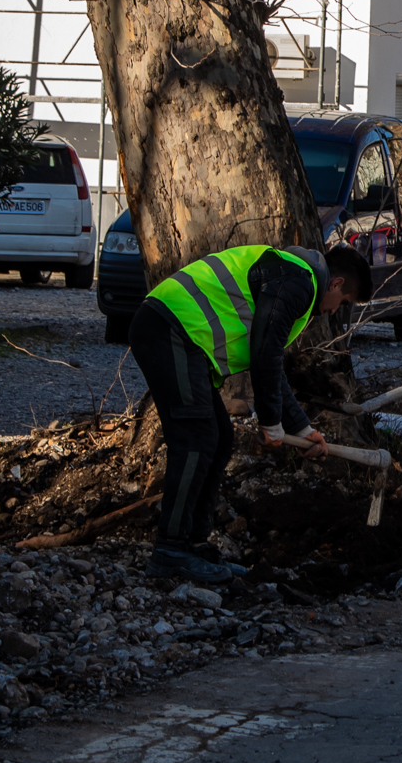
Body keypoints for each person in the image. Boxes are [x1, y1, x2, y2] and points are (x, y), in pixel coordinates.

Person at [130, 241, 354, 583]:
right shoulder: (300, 281)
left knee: (218, 438)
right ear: (336, 284)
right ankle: (170, 550)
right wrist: (270, 422)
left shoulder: (290, 275)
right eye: (345, 302)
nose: (337, 311)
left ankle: (192, 544)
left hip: (180, 336)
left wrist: (302, 428)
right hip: (169, 329)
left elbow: (271, 365)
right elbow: (264, 351)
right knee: (195, 438)